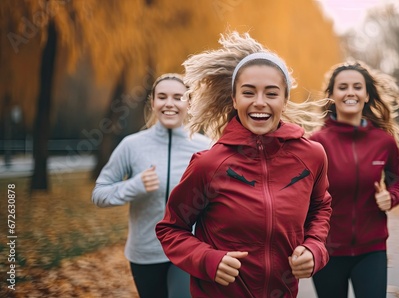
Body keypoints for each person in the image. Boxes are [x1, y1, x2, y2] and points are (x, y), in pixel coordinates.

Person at [155, 32, 333, 298]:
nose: (259, 102)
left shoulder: (312, 156)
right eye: (248, 92)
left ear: (284, 101)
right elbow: (171, 229)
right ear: (235, 99)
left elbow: (320, 207)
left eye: (271, 93)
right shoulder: (209, 164)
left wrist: (314, 249)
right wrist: (208, 260)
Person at [92, 73, 212, 298]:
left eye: (178, 97)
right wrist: (135, 185)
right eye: (162, 97)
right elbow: (99, 193)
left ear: (189, 102)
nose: (170, 103)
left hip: (188, 249)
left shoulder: (206, 147)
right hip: (145, 252)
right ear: (153, 102)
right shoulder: (132, 145)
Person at [309, 61, 399, 298]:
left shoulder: (384, 142)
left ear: (367, 95)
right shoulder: (316, 143)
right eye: (343, 87)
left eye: (357, 87)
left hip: (372, 249)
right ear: (332, 95)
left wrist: (391, 197)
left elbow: (395, 180)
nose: (350, 92)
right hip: (327, 250)